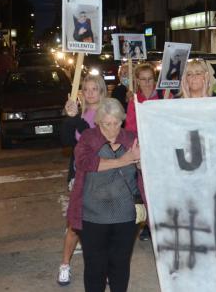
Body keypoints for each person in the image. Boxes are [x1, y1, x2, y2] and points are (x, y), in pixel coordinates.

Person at [67, 99, 144, 292]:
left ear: (122, 121)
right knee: (95, 267)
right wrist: (124, 159)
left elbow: (144, 171)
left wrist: (140, 162)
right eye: (107, 124)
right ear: (98, 122)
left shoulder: (131, 138)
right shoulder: (88, 138)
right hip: (92, 216)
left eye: (117, 123)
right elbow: (85, 163)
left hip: (125, 215)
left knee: (120, 266)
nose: (112, 129)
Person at [58, 74, 108, 286]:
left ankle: (102, 269)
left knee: (103, 226)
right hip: (80, 175)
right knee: (76, 224)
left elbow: (100, 141)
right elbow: (66, 141)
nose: (89, 93)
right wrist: (70, 118)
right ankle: (64, 265)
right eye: (86, 89)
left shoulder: (108, 113)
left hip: (103, 176)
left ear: (101, 91)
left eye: (94, 89)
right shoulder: (79, 113)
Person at [125, 63, 163, 133]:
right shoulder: (134, 101)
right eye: (143, 79)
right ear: (138, 81)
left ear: (154, 79)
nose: (147, 82)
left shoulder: (164, 96)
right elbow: (130, 128)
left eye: (150, 78)